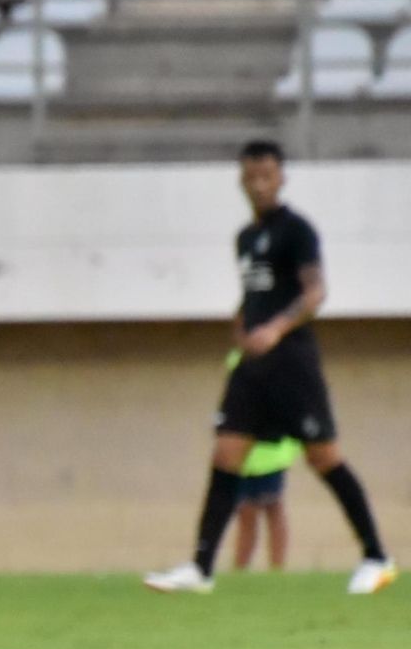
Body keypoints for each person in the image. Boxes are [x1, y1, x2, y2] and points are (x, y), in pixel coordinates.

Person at [145, 140, 396, 596]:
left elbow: (315, 291)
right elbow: (260, 293)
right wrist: (242, 320)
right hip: (253, 365)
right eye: (251, 176)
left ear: (281, 178)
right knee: (226, 453)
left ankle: (377, 557)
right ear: (241, 181)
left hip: (292, 360)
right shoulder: (245, 237)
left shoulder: (297, 230)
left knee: (324, 457)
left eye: (267, 175)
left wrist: (276, 329)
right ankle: (201, 568)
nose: (258, 184)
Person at [232, 436, 300, 572]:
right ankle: (241, 569)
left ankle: (274, 567)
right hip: (249, 457)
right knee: (250, 514)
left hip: (266, 455)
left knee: (268, 509)